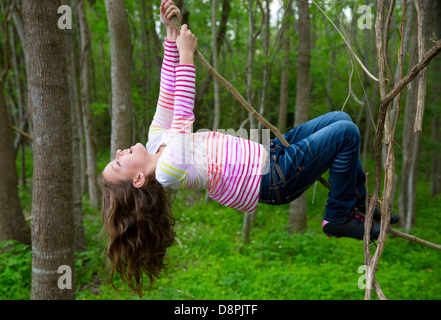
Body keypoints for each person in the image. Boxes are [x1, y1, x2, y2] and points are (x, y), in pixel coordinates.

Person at [100, 0, 398, 296]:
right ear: (138, 179)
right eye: (117, 164)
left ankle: (357, 201)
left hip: (271, 153)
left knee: (340, 119)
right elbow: (182, 114)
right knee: (346, 133)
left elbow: (167, 93)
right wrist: (187, 57)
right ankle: (337, 214)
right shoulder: (167, 171)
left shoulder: (156, 142)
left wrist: (170, 35)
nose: (118, 153)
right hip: (274, 178)